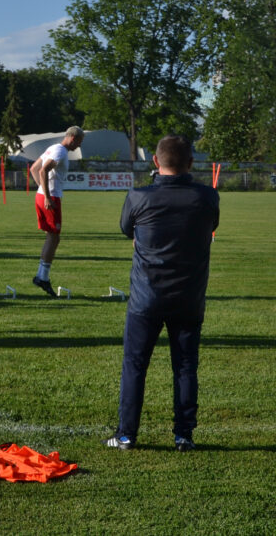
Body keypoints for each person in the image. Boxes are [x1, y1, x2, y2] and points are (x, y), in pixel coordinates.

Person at [104, 135, 219, 452]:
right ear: (191, 164)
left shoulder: (139, 196)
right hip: (189, 297)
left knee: (135, 366)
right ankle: (184, 435)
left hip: (146, 297)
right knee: (185, 367)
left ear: (155, 162)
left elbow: (128, 230)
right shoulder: (208, 197)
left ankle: (127, 434)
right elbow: (210, 226)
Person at [29, 126, 85, 297]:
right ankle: (42, 277)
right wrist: (47, 195)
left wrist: (41, 191)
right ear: (73, 138)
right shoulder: (60, 151)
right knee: (54, 237)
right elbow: (42, 170)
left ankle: (42, 275)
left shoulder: (53, 148)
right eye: (79, 143)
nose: (78, 147)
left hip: (44, 195)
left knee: (52, 236)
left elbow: (33, 169)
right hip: (51, 197)